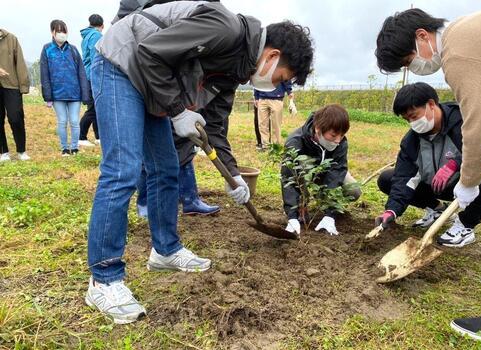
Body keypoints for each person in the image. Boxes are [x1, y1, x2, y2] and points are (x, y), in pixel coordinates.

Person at [86, 0, 313, 324]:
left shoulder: (235, 70)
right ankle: (102, 280)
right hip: (122, 62)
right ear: (272, 56)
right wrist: (177, 111)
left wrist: (233, 176)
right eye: (282, 78)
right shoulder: (225, 28)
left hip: (151, 84)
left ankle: (165, 250)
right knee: (122, 170)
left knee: (166, 168)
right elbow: (149, 52)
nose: (277, 86)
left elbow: (216, 129)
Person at [376, 4, 481, 343]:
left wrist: (468, 182)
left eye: (408, 61)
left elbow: (479, 126)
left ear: (422, 36)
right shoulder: (472, 32)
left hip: (474, 170)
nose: (413, 69)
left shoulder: (459, 50)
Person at [375, 83, 481, 247]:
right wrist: (391, 210)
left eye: (414, 116)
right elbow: (403, 177)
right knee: (388, 178)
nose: (412, 123)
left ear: (431, 104)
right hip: (435, 186)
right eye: (407, 119)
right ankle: (437, 208)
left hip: (466, 187)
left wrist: (457, 165)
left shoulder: (466, 121)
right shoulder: (412, 140)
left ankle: (465, 225)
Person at [281, 104, 361, 236]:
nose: (338, 140)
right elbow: (289, 177)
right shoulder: (296, 142)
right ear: (318, 129)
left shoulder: (341, 143)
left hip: (326, 175)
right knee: (300, 164)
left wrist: (331, 213)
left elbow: (337, 171)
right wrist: (292, 217)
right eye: (333, 135)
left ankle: (324, 204)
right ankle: (300, 205)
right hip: (304, 176)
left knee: (354, 190)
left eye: (342, 135)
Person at [40, 20, 90, 156]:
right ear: (52, 32)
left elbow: (81, 72)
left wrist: (85, 94)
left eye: (64, 31)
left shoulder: (73, 49)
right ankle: (64, 148)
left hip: (74, 93)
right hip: (57, 94)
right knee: (62, 121)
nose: (62, 34)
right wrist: (48, 95)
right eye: (59, 31)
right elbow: (44, 73)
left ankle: (74, 147)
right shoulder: (47, 49)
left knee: (74, 121)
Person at [0, 29, 30, 161]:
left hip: (11, 84)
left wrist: (23, 85)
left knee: (15, 117)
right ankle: (3, 152)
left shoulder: (11, 38)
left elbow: (20, 63)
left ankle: (21, 150)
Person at [79, 14, 104, 147]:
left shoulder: (86, 36)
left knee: (95, 107)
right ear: (102, 26)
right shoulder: (97, 35)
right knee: (94, 108)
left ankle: (98, 136)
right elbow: (97, 57)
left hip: (87, 75)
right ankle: (81, 136)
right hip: (93, 75)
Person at [254, 80, 296, 149]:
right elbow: (257, 80)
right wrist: (256, 96)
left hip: (277, 98)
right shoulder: (261, 69)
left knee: (276, 125)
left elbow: (285, 77)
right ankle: (265, 146)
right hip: (262, 98)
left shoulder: (281, 68)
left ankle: (276, 147)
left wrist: (289, 92)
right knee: (262, 124)